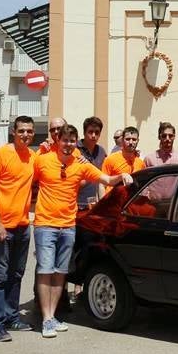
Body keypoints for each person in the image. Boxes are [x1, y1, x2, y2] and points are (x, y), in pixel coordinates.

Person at [33, 124, 132, 338]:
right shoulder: (42, 160)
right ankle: (47, 319)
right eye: (65, 140)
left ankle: (52, 316)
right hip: (45, 225)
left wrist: (122, 176)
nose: (68, 144)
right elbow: (25, 181)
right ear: (57, 140)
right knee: (45, 271)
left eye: (71, 141)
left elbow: (106, 179)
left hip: (68, 226)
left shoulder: (80, 164)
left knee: (60, 272)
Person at [0, 115, 36, 342]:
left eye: (29, 131)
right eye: (21, 130)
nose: (25, 135)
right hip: (1, 227)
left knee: (16, 274)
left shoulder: (33, 157)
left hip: (23, 226)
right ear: (14, 131)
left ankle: (12, 317)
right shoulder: (0, 154)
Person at [69, 116, 107, 305]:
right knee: (69, 250)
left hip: (92, 210)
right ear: (84, 133)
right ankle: (63, 292)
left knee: (86, 250)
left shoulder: (101, 152)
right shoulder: (75, 150)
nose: (93, 136)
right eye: (90, 132)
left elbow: (103, 179)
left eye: (97, 132)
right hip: (74, 207)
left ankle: (79, 286)